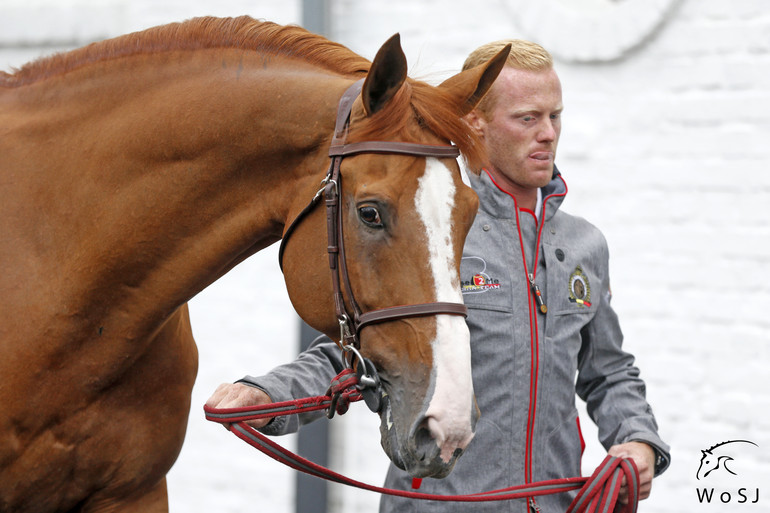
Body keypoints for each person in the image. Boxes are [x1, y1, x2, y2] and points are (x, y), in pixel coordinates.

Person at [207, 39, 670, 512]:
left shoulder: (583, 245)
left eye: (555, 116)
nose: (548, 133)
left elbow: (608, 369)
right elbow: (354, 352)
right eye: (527, 118)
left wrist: (637, 438)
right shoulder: (440, 236)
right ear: (476, 123)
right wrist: (269, 395)